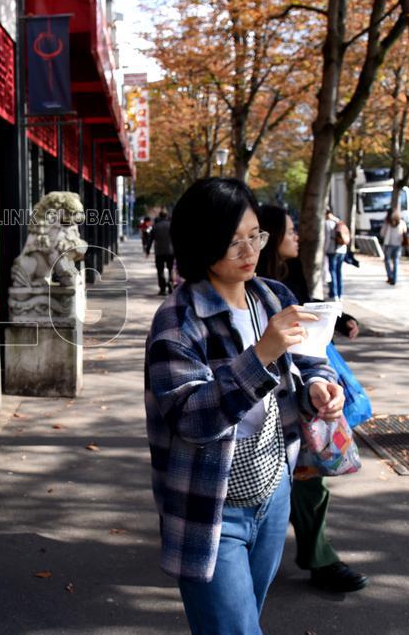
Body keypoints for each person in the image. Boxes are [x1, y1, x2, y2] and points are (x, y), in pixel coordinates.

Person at [145, 178, 344, 634]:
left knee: (244, 620)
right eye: (232, 241)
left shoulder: (274, 296)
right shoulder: (178, 319)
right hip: (210, 508)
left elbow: (314, 360)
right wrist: (260, 357)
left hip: (273, 493)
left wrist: (319, 388)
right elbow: (191, 418)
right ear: (201, 244)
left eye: (254, 235)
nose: (248, 250)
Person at [256, 205, 369, 593]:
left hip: (303, 391)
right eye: (290, 231)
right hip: (272, 401)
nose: (297, 236)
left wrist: (338, 318)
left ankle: (318, 557)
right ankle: (318, 559)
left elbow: (310, 321)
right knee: (304, 481)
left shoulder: (288, 278)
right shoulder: (254, 289)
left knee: (307, 479)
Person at [323, 209, 349, 298]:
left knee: (332, 272)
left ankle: (334, 293)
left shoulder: (327, 223)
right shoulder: (339, 221)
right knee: (339, 271)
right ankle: (340, 293)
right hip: (342, 249)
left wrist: (324, 250)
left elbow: (327, 239)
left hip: (332, 250)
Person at [379, 209, 408, 285]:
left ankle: (390, 276)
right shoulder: (402, 222)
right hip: (398, 244)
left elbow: (382, 233)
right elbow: (405, 231)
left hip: (389, 244)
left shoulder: (387, 223)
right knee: (396, 261)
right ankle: (394, 278)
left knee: (387, 261)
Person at [152, 210, 175, 295]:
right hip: (171, 252)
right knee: (170, 269)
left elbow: (151, 239)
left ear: (159, 216)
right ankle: (170, 284)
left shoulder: (156, 226)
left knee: (160, 270)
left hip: (159, 252)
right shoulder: (172, 226)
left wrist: (147, 250)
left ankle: (162, 288)